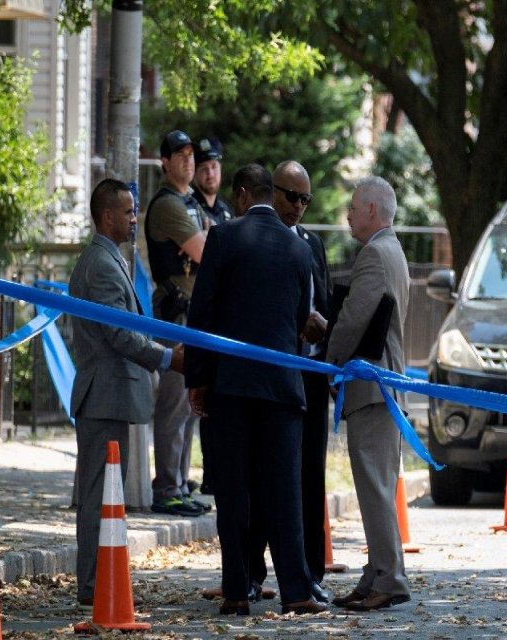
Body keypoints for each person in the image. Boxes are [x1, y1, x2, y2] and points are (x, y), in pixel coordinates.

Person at [185, 164, 326, 616]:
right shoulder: (300, 248)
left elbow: (201, 314)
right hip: (283, 390)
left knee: (234, 492)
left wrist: (198, 380)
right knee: (284, 491)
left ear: (243, 195)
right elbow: (301, 323)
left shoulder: (223, 238)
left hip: (231, 387)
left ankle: (235, 591)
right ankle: (297, 593)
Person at [69, 179, 184, 608]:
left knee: (107, 497)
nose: (135, 218)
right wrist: (168, 359)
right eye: (130, 211)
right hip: (105, 397)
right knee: (100, 497)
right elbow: (119, 334)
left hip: (113, 397)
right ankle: (95, 585)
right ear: (108, 216)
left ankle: (103, 580)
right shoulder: (100, 263)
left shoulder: (109, 258)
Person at [326, 176, 411, 612]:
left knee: (375, 488)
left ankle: (390, 578)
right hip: (384, 388)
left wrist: (328, 359)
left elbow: (353, 321)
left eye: (355, 207)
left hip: (373, 389)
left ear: (373, 211)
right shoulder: (392, 251)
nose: (349, 215)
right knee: (376, 485)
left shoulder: (374, 255)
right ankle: (375, 573)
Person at [272, 160, 333, 604]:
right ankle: (257, 572)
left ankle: (312, 571)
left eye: (305, 199)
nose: (297, 206)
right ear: (272, 193)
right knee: (272, 476)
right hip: (275, 374)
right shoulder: (260, 241)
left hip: (312, 372)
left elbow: (325, 299)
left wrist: (323, 332)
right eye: (291, 196)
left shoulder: (313, 244)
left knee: (311, 473)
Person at [144, 129, 208, 517]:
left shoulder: (190, 202)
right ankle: (166, 486)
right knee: (173, 403)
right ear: (165, 162)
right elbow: (205, 250)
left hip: (192, 315)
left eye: (191, 154)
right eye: (179, 155)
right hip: (175, 316)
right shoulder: (168, 204)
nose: (188, 161)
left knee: (189, 404)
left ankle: (181, 484)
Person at [191, 137, 233, 496]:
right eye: (203, 167)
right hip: (196, 312)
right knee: (201, 401)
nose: (209, 173)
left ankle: (220, 471)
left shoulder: (227, 214)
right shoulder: (188, 208)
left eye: (214, 166)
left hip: (225, 314)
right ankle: (206, 473)